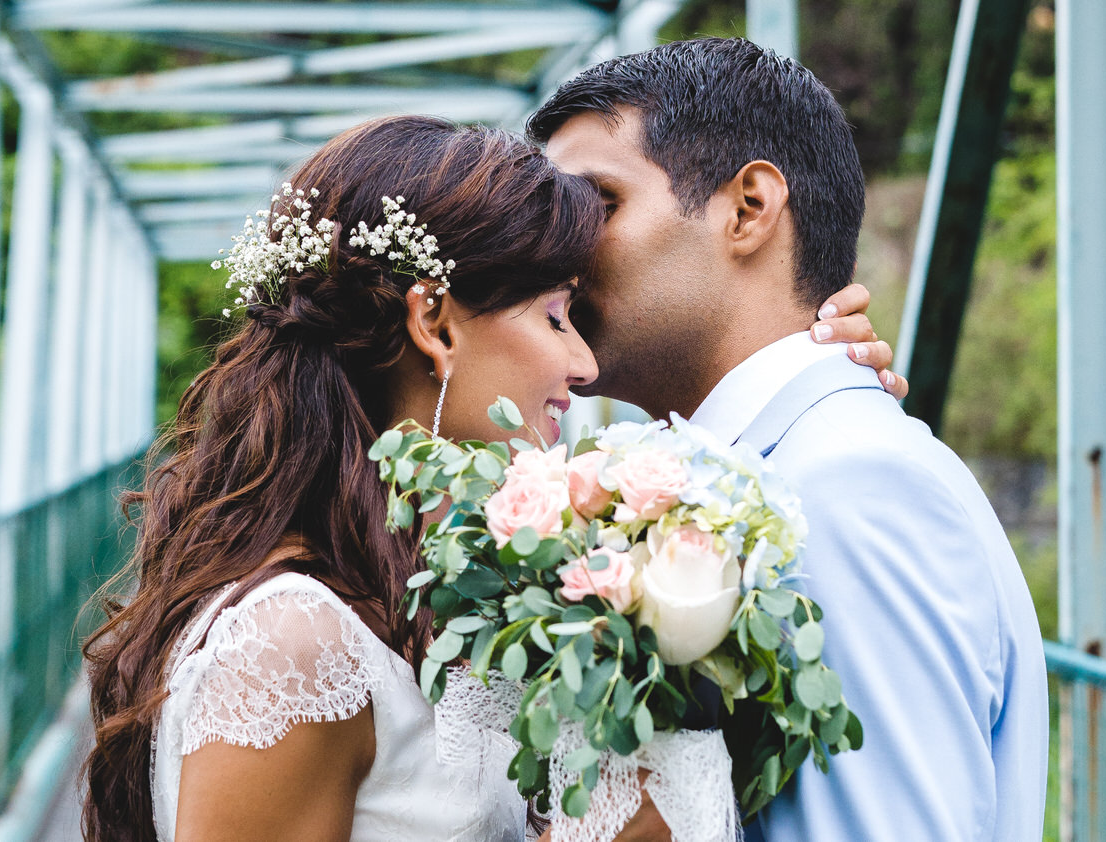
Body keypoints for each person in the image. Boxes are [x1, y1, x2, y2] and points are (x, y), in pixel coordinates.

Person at [80, 114, 892, 842]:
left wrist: (803, 370)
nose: (582, 363)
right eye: (554, 315)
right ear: (434, 323)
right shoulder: (295, 641)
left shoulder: (442, 593)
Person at [529, 37, 1048, 841]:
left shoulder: (850, 486)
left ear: (749, 209)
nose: (552, 254)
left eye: (594, 204)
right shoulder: (770, 472)